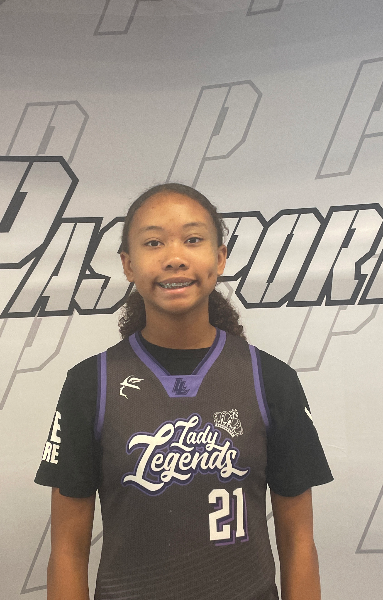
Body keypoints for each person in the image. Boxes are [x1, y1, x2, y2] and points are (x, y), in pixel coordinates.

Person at [35, 183, 333, 600]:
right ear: (128, 264)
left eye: (193, 240)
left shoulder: (271, 379)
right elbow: (67, 551)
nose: (175, 257)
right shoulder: (90, 384)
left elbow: (299, 542)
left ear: (220, 257)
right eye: (153, 242)